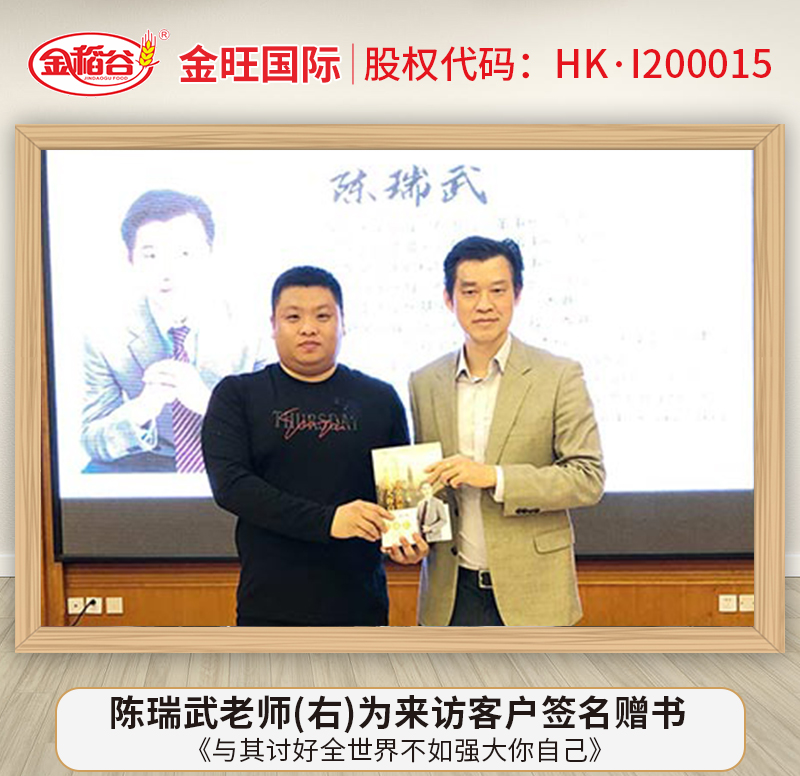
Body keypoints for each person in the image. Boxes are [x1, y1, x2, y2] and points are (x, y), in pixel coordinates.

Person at [391, 235, 605, 626]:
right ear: (448, 298)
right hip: (450, 595)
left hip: (535, 593)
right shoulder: (424, 381)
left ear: (517, 294)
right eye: (470, 291)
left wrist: (494, 477)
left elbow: (587, 478)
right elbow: (428, 487)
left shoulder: (559, 375)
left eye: (498, 290)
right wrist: (413, 537)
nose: (484, 304)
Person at [201, 266, 410, 626]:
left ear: (343, 323)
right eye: (293, 317)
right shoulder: (238, 395)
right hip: (269, 607)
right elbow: (231, 486)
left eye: (323, 316)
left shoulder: (380, 398)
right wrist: (329, 521)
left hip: (361, 606)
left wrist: (407, 540)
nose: (308, 328)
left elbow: (400, 500)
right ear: (273, 324)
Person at [81, 189, 266, 473]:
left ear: (208, 254)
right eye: (151, 255)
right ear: (130, 259)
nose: (168, 271)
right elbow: (91, 439)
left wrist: (208, 403)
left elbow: (276, 429)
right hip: (150, 459)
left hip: (235, 457)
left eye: (184, 253)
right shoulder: (106, 336)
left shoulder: (252, 327)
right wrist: (141, 410)